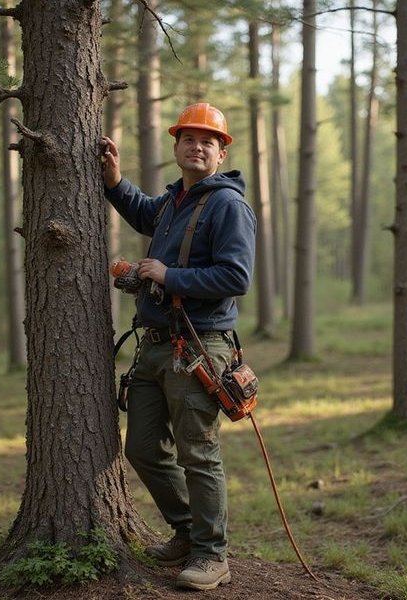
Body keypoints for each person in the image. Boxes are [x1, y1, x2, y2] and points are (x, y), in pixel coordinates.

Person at [100, 103, 256, 591]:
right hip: (154, 347)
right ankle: (188, 533)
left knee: (198, 453)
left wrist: (170, 275)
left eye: (209, 140)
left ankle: (213, 555)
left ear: (221, 150)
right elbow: (142, 211)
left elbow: (237, 275)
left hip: (199, 347)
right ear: (176, 146)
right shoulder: (173, 202)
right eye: (190, 138)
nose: (198, 145)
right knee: (143, 448)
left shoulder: (228, 205)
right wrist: (113, 180)